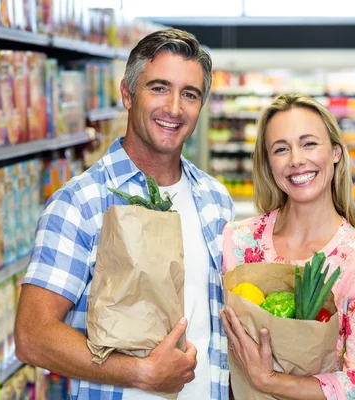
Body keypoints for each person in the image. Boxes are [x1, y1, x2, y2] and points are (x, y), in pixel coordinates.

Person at [14, 29, 234, 400]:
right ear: (128, 95)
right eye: (159, 88)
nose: (175, 108)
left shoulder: (215, 199)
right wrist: (142, 373)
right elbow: (32, 336)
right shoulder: (81, 202)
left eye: (190, 94)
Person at [220, 94, 355, 400]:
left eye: (309, 143)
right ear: (268, 163)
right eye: (281, 149)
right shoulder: (238, 242)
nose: (296, 159)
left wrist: (269, 381)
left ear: (336, 152)